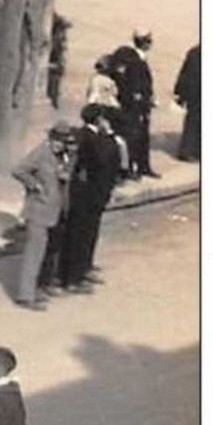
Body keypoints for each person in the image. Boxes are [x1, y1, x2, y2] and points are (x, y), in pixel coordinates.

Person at [10, 122, 75, 310]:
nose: (61, 145)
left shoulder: (61, 156)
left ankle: (39, 287)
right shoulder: (40, 153)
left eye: (64, 142)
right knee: (34, 254)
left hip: (54, 210)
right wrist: (34, 185)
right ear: (51, 139)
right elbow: (18, 170)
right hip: (38, 209)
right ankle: (25, 296)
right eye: (59, 141)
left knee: (46, 252)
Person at [60, 105, 120, 292]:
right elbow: (103, 159)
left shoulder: (91, 136)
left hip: (91, 194)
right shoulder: (91, 138)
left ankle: (83, 269)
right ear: (99, 119)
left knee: (88, 233)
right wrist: (110, 135)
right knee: (80, 234)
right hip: (86, 195)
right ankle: (72, 277)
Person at [110, 32, 158, 179]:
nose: (151, 44)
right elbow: (128, 82)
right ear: (144, 43)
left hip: (143, 104)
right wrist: (135, 98)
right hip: (133, 105)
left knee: (143, 136)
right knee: (133, 136)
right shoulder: (132, 58)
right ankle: (132, 168)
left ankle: (143, 167)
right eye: (149, 41)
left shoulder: (139, 58)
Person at [174, 44, 200, 162]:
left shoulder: (194, 52)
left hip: (193, 93)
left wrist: (179, 92)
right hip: (196, 94)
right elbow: (187, 74)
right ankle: (187, 151)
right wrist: (180, 93)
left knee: (194, 122)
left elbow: (183, 73)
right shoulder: (196, 53)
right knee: (193, 122)